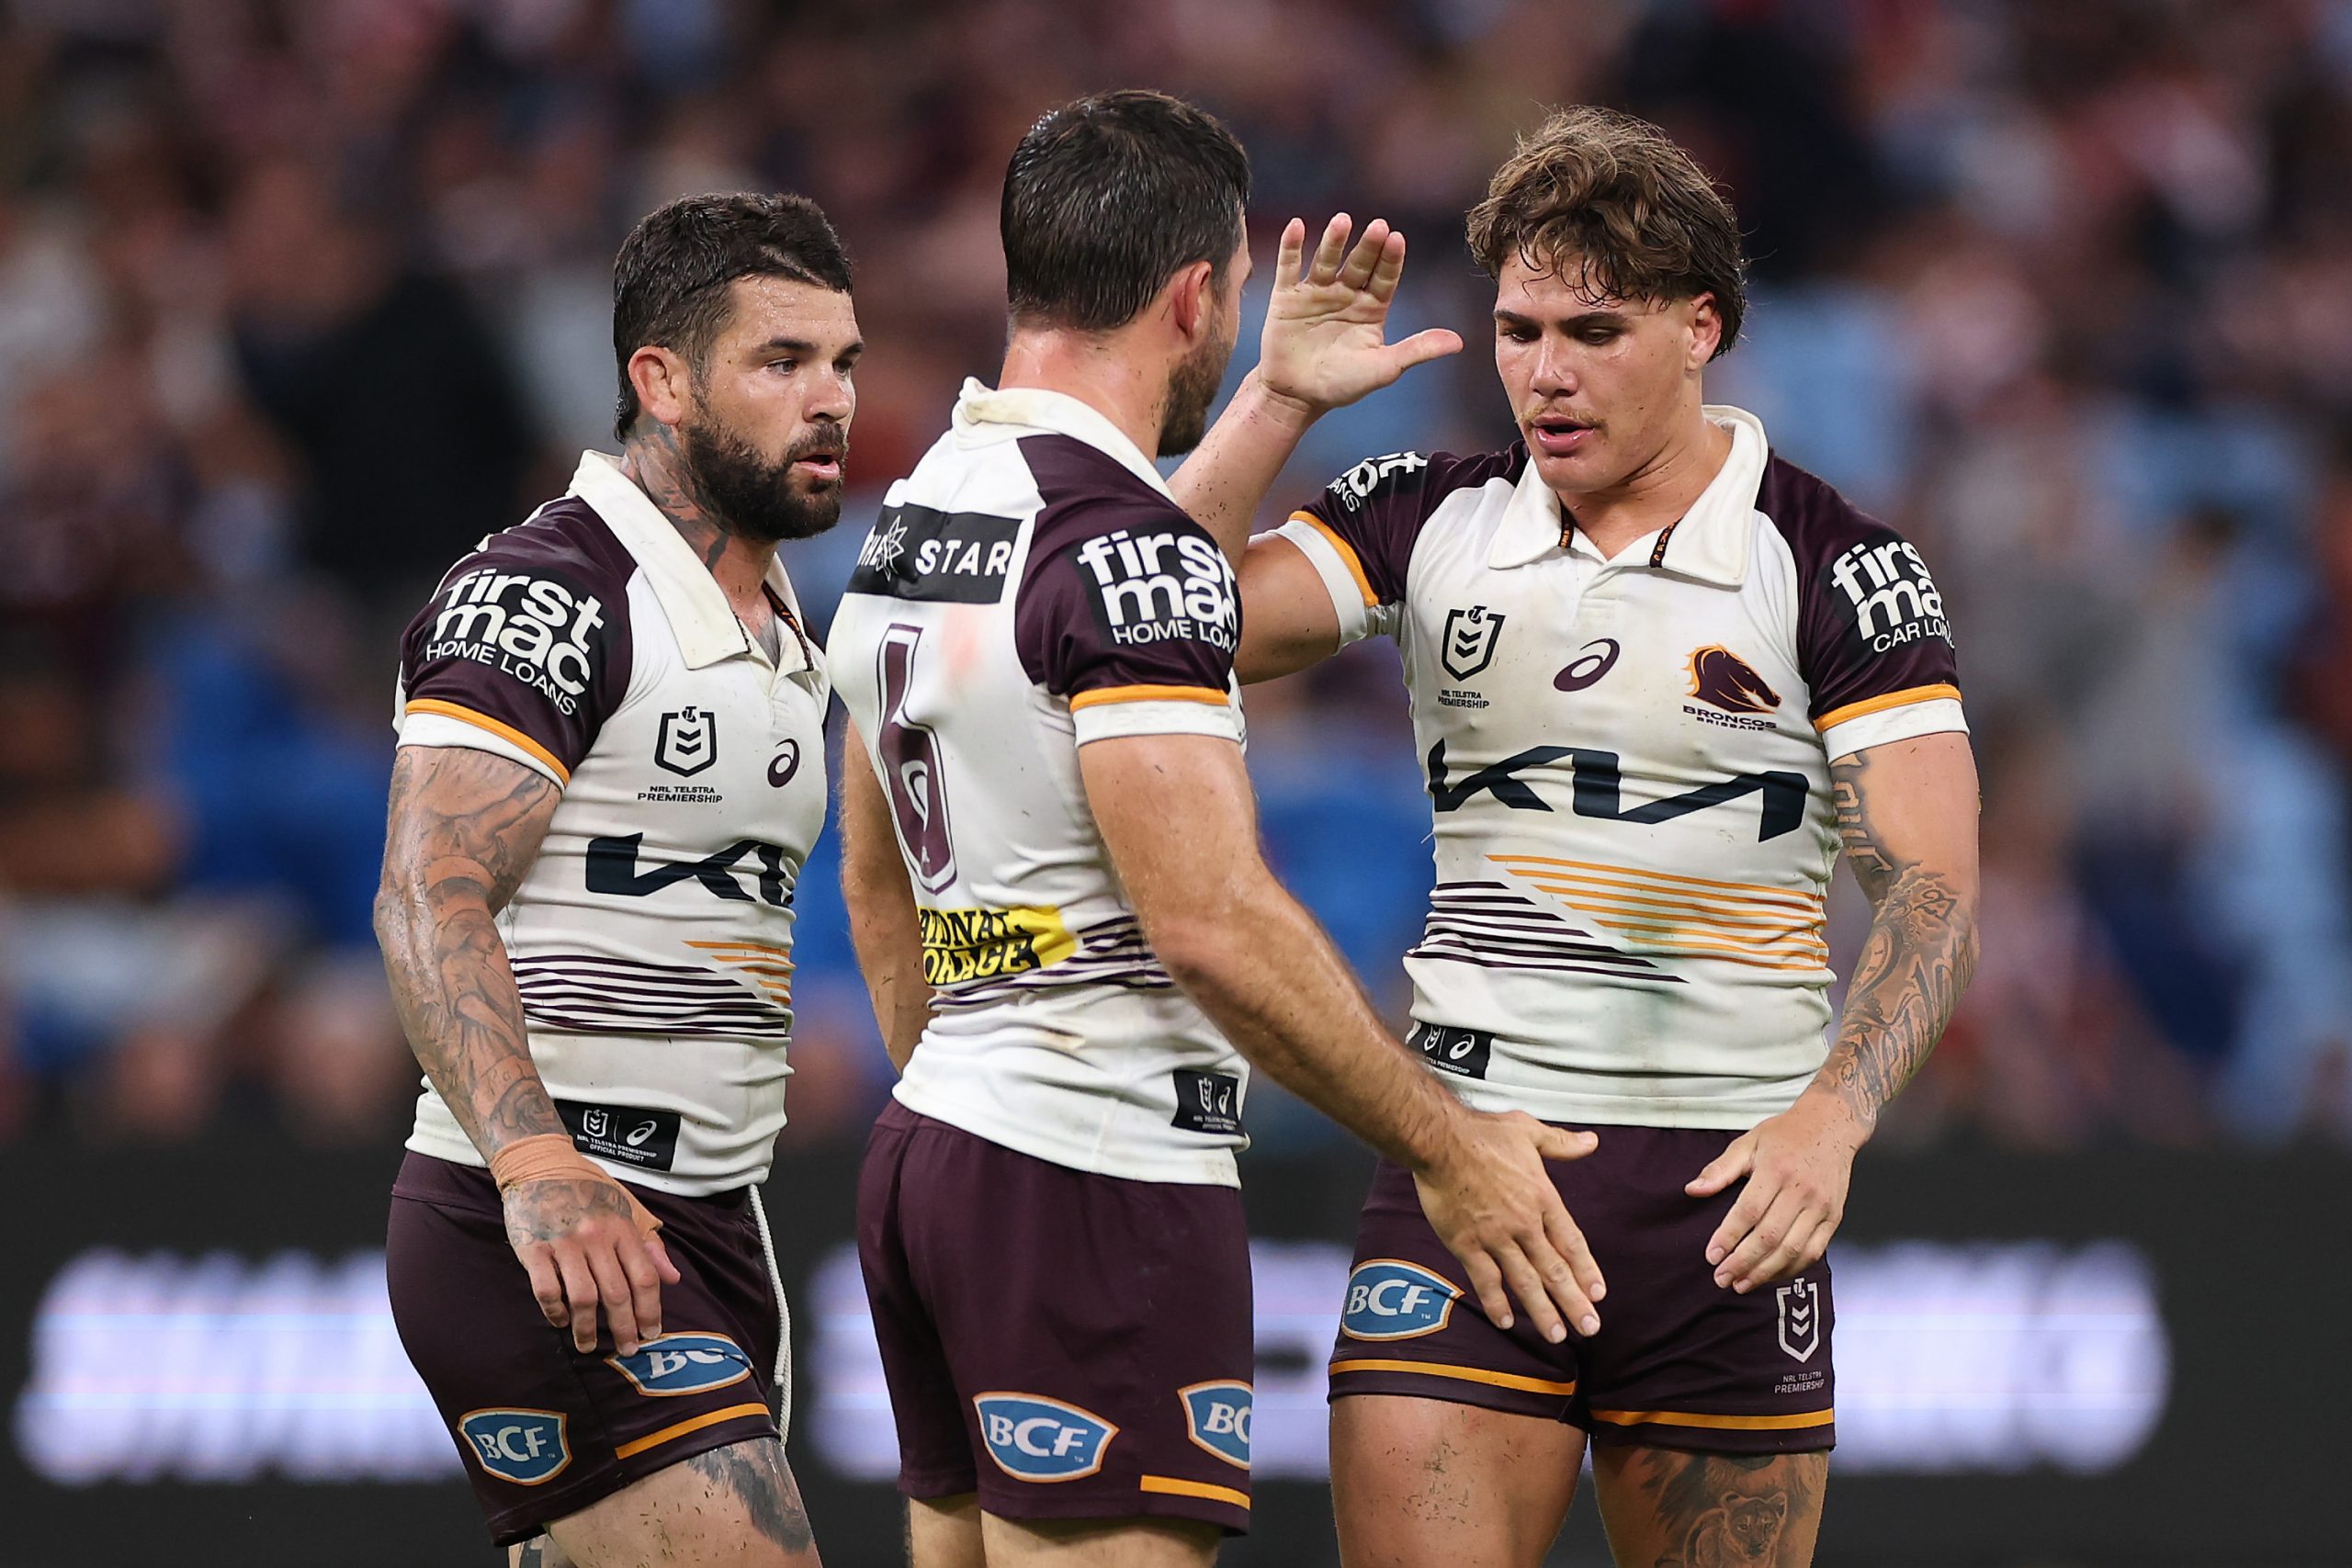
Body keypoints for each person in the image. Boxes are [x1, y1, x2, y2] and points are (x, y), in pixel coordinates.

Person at [1173, 107, 1981, 1566]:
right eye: (1519, 331)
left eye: (1594, 332)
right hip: (1477, 1164)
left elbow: (1933, 890)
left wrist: (1834, 1120)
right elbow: (1152, 623)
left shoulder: (1834, 567)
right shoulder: (1428, 518)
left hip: (1730, 1198)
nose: (1547, 372)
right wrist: (1275, 402)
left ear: (1700, 327)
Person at [830, 90, 1603, 1568]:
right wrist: (1449, 1147)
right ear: (1194, 300)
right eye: (1237, 298)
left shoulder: (921, 511)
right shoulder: (1113, 553)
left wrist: (1275, 403)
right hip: (1095, 1171)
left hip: (939, 1153)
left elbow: (876, 880)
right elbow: (1211, 925)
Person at [375, 191, 861, 1568]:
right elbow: (427, 894)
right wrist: (537, 1168)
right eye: (781, 361)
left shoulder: (783, 624)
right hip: (544, 1215)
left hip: (715, 1221)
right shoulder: (548, 592)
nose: (830, 399)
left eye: (844, 361)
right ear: (662, 379)